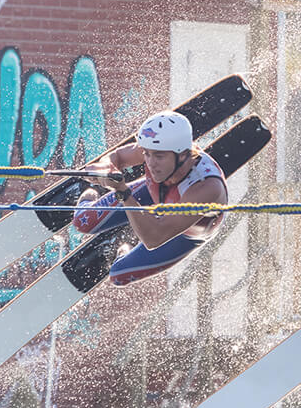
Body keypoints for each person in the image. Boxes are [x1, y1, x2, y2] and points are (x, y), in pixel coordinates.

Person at [70, 110, 229, 286]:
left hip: (183, 235)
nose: (151, 163)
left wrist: (122, 191)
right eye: (147, 154)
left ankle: (123, 247)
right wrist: (105, 167)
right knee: (82, 222)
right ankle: (88, 195)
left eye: (159, 157)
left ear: (183, 154)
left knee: (118, 276)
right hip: (155, 194)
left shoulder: (206, 188)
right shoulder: (157, 147)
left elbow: (154, 238)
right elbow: (118, 157)